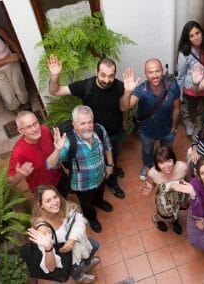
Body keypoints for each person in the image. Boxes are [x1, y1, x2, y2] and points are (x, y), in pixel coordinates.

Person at [48, 55, 126, 199]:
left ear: (115, 74)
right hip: (94, 135)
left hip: (115, 132)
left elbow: (123, 107)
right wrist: (54, 76)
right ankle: (111, 182)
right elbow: (55, 91)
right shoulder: (86, 86)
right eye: (103, 75)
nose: (107, 80)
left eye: (111, 76)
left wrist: (124, 122)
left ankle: (112, 168)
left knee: (113, 154)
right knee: (98, 158)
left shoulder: (119, 86)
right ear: (96, 72)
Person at [46, 105, 114, 233]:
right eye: (82, 123)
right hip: (82, 184)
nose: (87, 126)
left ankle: (99, 202)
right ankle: (92, 217)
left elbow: (108, 147)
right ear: (74, 124)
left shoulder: (99, 130)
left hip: (101, 175)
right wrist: (58, 150)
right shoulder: (68, 142)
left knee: (100, 193)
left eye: (89, 122)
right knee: (87, 205)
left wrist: (110, 166)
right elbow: (50, 165)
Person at [122, 58, 181, 181]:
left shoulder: (172, 85)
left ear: (162, 71)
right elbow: (124, 107)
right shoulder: (141, 90)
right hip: (147, 131)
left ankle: (165, 168)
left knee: (166, 151)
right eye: (150, 72)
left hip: (167, 130)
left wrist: (174, 127)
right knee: (147, 151)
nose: (154, 75)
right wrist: (127, 92)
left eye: (157, 71)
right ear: (145, 74)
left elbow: (176, 108)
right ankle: (147, 165)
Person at [27, 184, 100, 283]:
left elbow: (79, 220)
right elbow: (50, 267)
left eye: (55, 197)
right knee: (77, 269)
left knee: (95, 246)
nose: (55, 202)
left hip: (79, 243)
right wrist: (48, 248)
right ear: (41, 205)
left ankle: (88, 263)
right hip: (69, 258)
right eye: (48, 201)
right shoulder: (43, 229)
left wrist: (72, 240)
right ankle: (80, 278)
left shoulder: (63, 206)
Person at [8, 111, 69, 197]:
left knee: (64, 196)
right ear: (21, 131)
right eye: (28, 127)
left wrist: (58, 148)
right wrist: (19, 175)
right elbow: (10, 183)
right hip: (43, 189)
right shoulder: (18, 152)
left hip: (59, 177)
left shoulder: (45, 130)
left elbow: (54, 149)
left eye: (35, 123)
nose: (34, 129)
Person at [177, 21, 204, 135]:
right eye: (191, 36)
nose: (195, 37)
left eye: (197, 33)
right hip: (191, 88)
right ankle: (192, 122)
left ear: (202, 32)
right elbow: (181, 76)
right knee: (192, 108)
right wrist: (180, 96)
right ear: (187, 38)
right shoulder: (185, 53)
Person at [139, 146, 188, 234]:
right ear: (156, 164)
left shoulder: (183, 167)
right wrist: (149, 189)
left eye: (169, 161)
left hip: (180, 196)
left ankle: (173, 221)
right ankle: (156, 219)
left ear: (174, 159)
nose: (166, 166)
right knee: (163, 215)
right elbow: (150, 183)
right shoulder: (152, 173)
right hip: (164, 199)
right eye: (161, 162)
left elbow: (187, 181)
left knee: (176, 211)